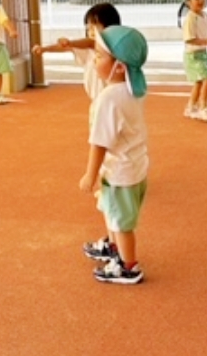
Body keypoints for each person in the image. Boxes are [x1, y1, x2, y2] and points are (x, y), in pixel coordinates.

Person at [78, 25, 149, 285]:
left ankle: (129, 266)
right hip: (133, 166)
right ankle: (115, 249)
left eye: (99, 56)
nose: (94, 61)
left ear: (119, 66)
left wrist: (90, 174)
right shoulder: (134, 89)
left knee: (121, 222)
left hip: (120, 172)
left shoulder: (110, 97)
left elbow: (100, 143)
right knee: (112, 211)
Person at [32, 3, 121, 103]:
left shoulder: (112, 46)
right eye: (88, 28)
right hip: (97, 99)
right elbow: (66, 48)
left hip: (112, 98)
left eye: (94, 27)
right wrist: (45, 49)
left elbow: (90, 43)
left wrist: (71, 43)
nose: (90, 31)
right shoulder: (87, 50)